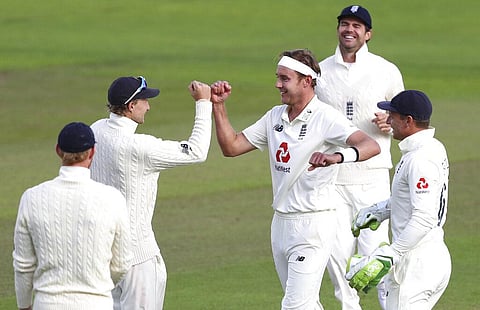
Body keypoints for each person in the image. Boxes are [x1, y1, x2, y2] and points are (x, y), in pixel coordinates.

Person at [210, 48, 381, 310]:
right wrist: (219, 107)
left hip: (313, 223)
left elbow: (370, 145)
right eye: (277, 77)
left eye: (284, 78)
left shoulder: (326, 117)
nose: (277, 84)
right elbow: (231, 147)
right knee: (306, 303)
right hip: (280, 223)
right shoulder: (274, 116)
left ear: (306, 81)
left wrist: (337, 156)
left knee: (294, 305)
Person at [90, 76, 213, 310]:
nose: (149, 105)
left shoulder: (96, 129)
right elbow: (197, 151)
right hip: (138, 258)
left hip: (103, 255)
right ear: (131, 106)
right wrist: (204, 103)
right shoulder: (139, 147)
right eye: (144, 100)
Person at [314, 5, 405, 309]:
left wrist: (388, 124)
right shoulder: (320, 72)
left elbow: (404, 120)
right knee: (336, 253)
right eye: (344, 24)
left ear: (368, 34)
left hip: (373, 178)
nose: (349, 29)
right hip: (333, 179)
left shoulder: (386, 70)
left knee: (376, 255)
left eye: (356, 25)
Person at [347, 90, 451, 309]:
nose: (388, 120)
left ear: (408, 121)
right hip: (430, 257)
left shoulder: (420, 159)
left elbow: (424, 217)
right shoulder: (432, 147)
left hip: (416, 265)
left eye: (392, 115)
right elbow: (414, 199)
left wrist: (390, 254)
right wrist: (380, 210)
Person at [13, 122, 132, 310]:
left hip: (48, 303)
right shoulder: (112, 198)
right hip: (97, 303)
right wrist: (96, 285)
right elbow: (122, 263)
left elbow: (23, 265)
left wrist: (24, 306)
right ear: (92, 152)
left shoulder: (32, 198)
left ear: (58, 151)